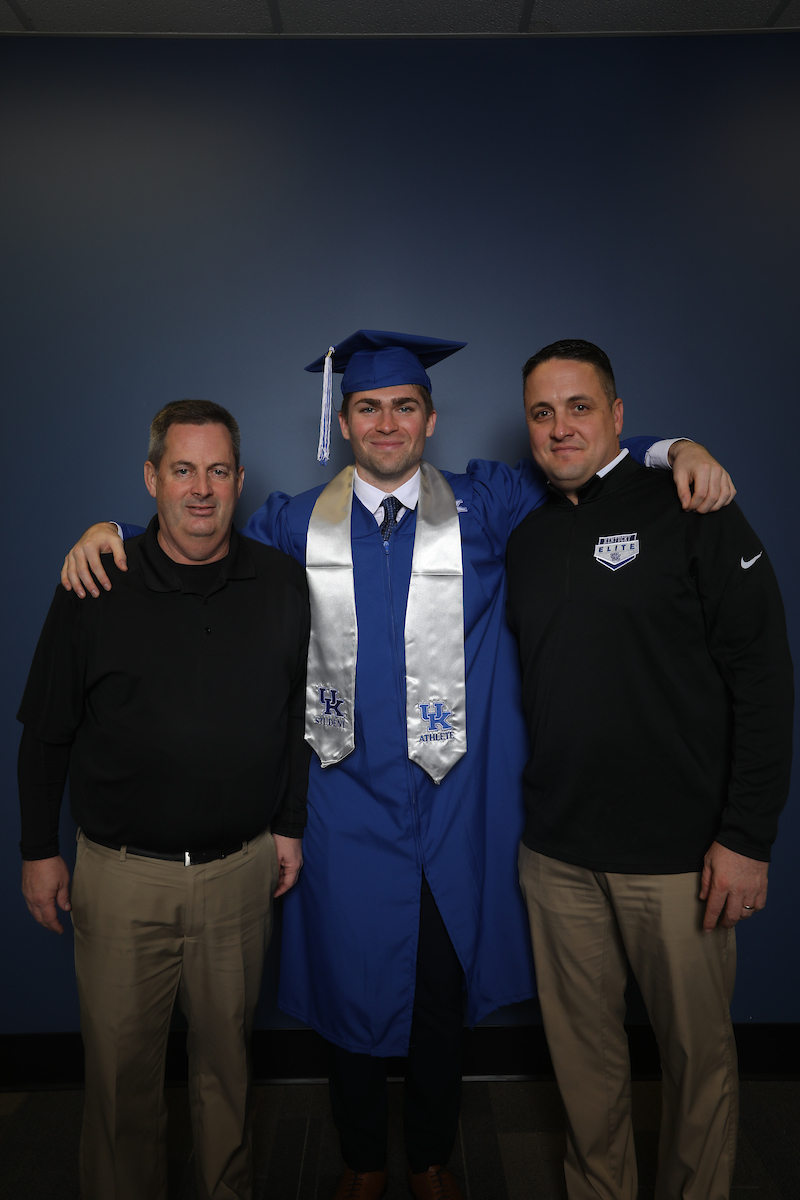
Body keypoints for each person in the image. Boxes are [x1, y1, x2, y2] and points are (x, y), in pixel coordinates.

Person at [60, 331, 735, 1200]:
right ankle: (358, 1159)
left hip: (456, 801)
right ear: (344, 422)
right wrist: (111, 529)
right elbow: (195, 538)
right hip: (341, 805)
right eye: (369, 408)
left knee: (440, 985)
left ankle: (429, 1156)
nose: (387, 424)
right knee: (349, 981)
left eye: (404, 407)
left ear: (430, 419)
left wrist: (672, 447)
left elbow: (583, 460)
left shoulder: (488, 503)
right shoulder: (295, 520)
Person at [505, 339, 793, 1200]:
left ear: (620, 416)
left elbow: (763, 673)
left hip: (679, 859)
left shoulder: (690, 505)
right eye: (542, 413)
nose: (561, 428)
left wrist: (745, 836)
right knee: (586, 1076)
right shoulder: (524, 539)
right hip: (557, 857)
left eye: (580, 406)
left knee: (697, 1069)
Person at [19, 400, 311, 1200]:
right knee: (121, 1088)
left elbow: (294, 716)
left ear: (240, 479)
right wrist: (39, 850)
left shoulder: (281, 585)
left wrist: (288, 825)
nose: (202, 489)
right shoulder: (95, 580)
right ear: (152, 478)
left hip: (241, 875)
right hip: (122, 875)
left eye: (218, 470)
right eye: (183, 470)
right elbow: (46, 729)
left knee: (227, 1078)